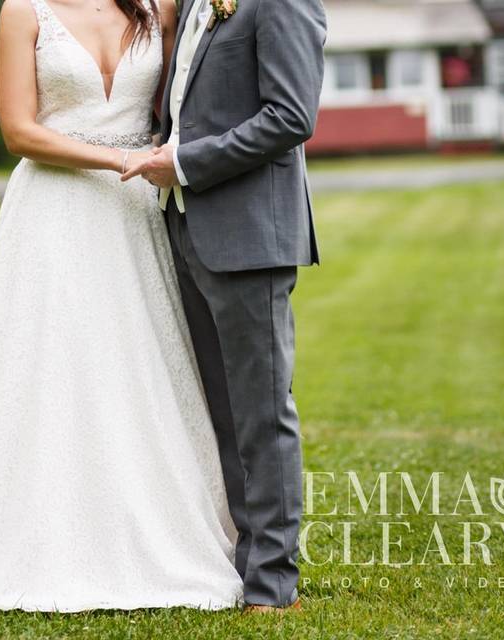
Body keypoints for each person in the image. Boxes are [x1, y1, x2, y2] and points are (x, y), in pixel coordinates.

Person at [0, 0, 244, 611]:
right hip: (54, 212)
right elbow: (19, 131)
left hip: (134, 215)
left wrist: (170, 156)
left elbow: (177, 104)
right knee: (53, 369)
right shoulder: (24, 11)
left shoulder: (157, 7)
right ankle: (47, 534)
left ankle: (157, 525)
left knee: (137, 370)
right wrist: (119, 158)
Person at [122, 0, 326, 612]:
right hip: (185, 228)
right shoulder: (189, 4)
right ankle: (241, 560)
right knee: (223, 416)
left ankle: (272, 584)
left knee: (262, 413)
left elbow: (291, 116)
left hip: (249, 235)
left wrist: (184, 163)